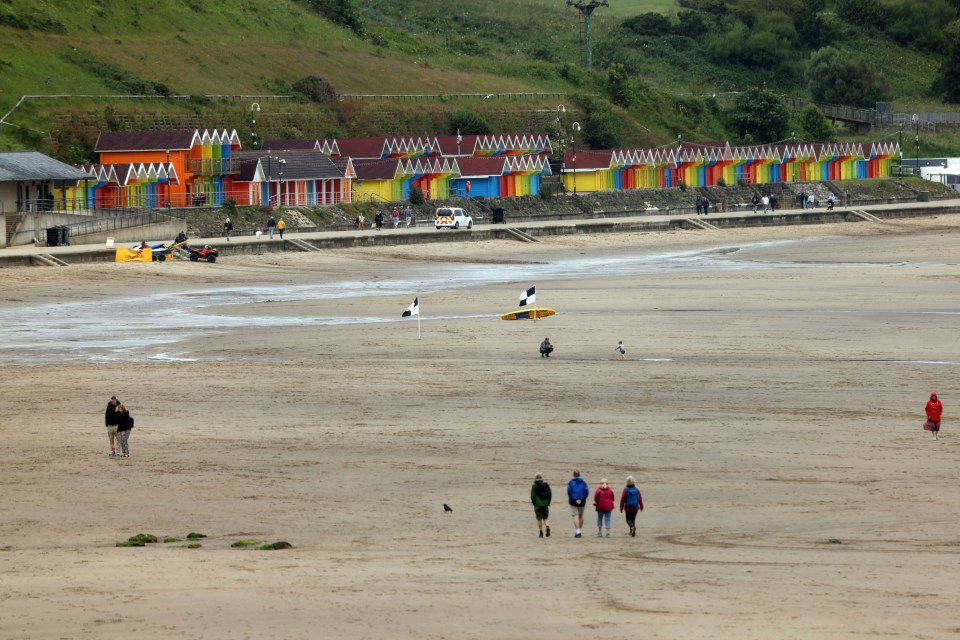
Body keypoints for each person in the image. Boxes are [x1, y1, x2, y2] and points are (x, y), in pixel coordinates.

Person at [567, 470, 589, 538]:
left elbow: (569, 492)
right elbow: (586, 491)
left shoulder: (571, 482)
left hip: (574, 501)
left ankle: (578, 531)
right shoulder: (584, 482)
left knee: (575, 515)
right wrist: (581, 499)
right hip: (582, 501)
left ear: (573, 475)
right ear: (579, 475)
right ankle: (579, 530)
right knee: (581, 515)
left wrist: (575, 499)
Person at [531, 473, 552, 538]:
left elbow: (533, 496)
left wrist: (534, 503)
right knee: (545, 518)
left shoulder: (534, 486)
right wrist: (548, 502)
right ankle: (547, 526)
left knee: (539, 519)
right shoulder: (546, 485)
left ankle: (541, 533)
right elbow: (550, 494)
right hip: (545, 504)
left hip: (538, 504)